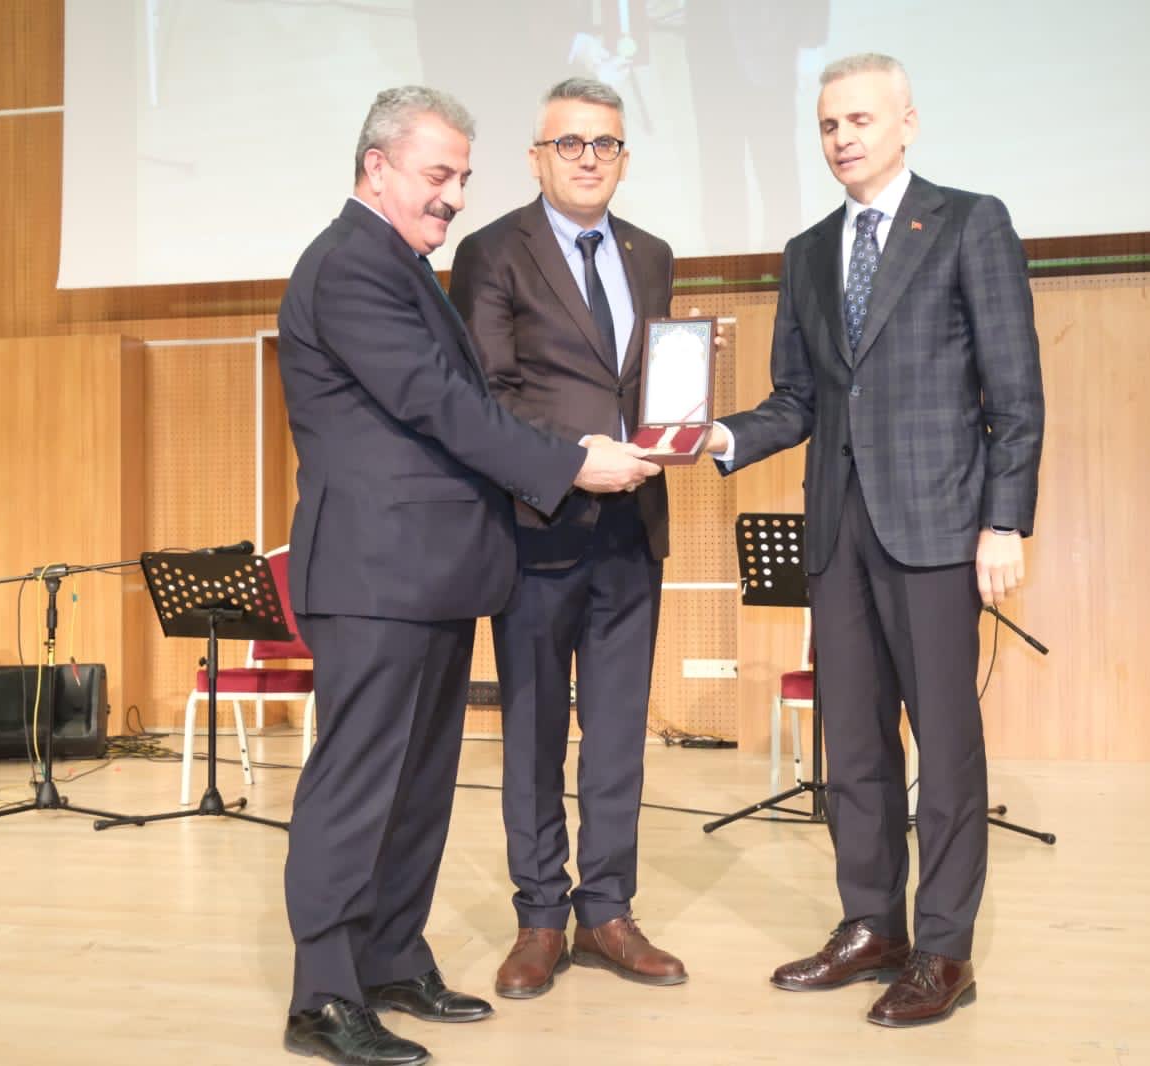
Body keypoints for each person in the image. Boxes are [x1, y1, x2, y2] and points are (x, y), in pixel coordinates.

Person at [277, 85, 660, 1066]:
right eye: (436, 174)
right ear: (377, 168)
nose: (452, 196)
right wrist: (569, 461)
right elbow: (440, 403)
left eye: (461, 178)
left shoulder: (398, 263)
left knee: (416, 788)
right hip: (373, 576)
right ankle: (324, 996)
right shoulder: (349, 265)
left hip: (433, 574)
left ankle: (390, 961)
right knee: (357, 787)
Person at [707, 53, 1044, 1027]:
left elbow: (1014, 392)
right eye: (827, 124)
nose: (841, 138)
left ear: (907, 123)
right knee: (852, 745)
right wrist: (718, 437)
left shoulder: (969, 222)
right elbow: (797, 399)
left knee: (946, 747)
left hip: (938, 526)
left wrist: (1003, 520)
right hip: (837, 531)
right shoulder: (808, 249)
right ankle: (871, 925)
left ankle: (943, 948)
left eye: (859, 119)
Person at [448, 77, 686, 1000]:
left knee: (618, 735)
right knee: (537, 734)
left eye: (606, 144)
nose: (590, 158)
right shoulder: (490, 251)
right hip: (538, 527)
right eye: (571, 143)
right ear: (537, 157)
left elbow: (650, 383)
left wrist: (681, 413)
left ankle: (609, 911)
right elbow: (487, 396)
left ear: (625, 157)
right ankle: (541, 917)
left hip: (634, 528)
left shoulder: (652, 254)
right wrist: (574, 461)